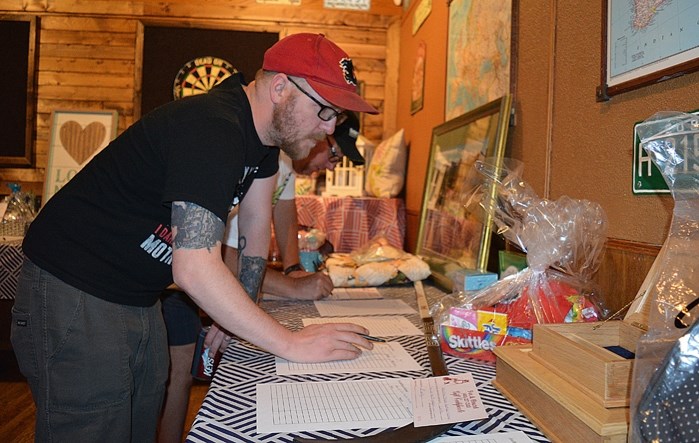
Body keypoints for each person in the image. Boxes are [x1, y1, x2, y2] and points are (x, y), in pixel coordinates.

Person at [11, 32, 379, 442]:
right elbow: (194, 267)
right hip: (75, 288)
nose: (329, 129)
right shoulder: (212, 126)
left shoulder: (263, 143)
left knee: (139, 421)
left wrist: (237, 311)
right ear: (279, 88)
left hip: (138, 294)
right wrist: (290, 344)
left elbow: (254, 236)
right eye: (325, 111)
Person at [157, 113, 364, 442]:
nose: (333, 165)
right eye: (335, 154)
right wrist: (292, 289)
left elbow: (284, 214)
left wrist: (294, 269)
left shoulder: (281, 162)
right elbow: (215, 256)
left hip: (206, 280)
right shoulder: (258, 151)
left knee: (188, 378)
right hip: (174, 278)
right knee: (173, 377)